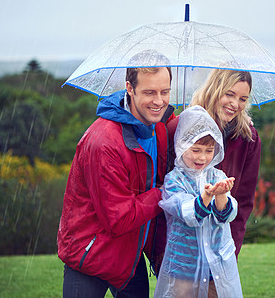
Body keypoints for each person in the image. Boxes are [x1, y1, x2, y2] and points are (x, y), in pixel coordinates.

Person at [57, 50, 175, 297]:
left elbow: (194, 129)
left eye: (165, 92)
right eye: (149, 92)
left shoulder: (159, 125)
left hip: (129, 255)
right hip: (91, 256)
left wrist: (235, 118)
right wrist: (165, 193)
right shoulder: (104, 142)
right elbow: (118, 218)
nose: (159, 101)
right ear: (129, 89)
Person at [166, 68, 261, 258]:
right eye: (229, 94)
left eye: (243, 99)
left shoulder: (248, 138)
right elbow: (165, 191)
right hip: (180, 250)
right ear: (214, 89)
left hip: (219, 251)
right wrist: (162, 250)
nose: (235, 104)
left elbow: (243, 201)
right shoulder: (179, 128)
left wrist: (230, 250)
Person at [154, 105, 242, 298]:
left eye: (209, 150)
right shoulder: (173, 180)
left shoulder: (217, 175)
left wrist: (221, 195)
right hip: (184, 266)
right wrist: (207, 195)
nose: (202, 157)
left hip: (215, 266)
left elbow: (225, 215)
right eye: (196, 150)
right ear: (182, 146)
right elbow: (188, 212)